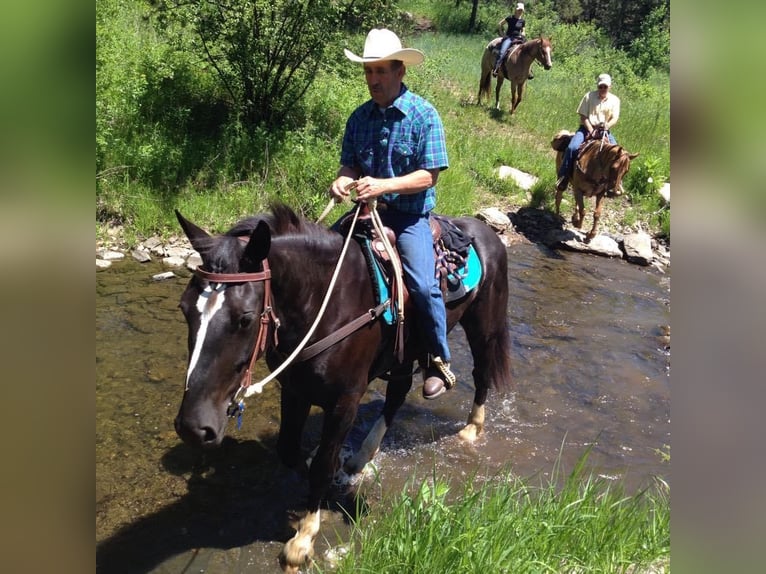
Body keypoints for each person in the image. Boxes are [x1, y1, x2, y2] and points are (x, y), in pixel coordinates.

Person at [329, 28, 456, 400]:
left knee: (422, 284)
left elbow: (428, 176)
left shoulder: (424, 115)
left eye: (381, 71)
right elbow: (349, 165)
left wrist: (383, 186)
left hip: (408, 218)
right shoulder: (359, 118)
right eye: (369, 72)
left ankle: (438, 359)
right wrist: (341, 181)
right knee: (325, 263)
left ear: (400, 71)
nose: (373, 80)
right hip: (365, 214)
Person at [556, 73, 621, 192]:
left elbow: (615, 118)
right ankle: (564, 176)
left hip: (604, 131)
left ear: (609, 86)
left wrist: (607, 125)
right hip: (586, 128)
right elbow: (583, 116)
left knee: (618, 155)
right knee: (572, 148)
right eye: (600, 86)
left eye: (605, 87)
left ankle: (615, 184)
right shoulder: (589, 96)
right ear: (597, 86)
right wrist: (591, 131)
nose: (602, 89)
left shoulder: (615, 100)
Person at [492, 3, 530, 78]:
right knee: (502, 51)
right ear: (515, 10)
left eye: (521, 10)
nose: (520, 12)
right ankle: (496, 68)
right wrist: (502, 34)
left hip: (518, 38)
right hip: (509, 38)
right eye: (519, 10)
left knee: (528, 52)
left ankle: (528, 71)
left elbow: (523, 30)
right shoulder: (510, 18)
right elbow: (500, 24)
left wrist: (523, 34)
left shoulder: (522, 21)